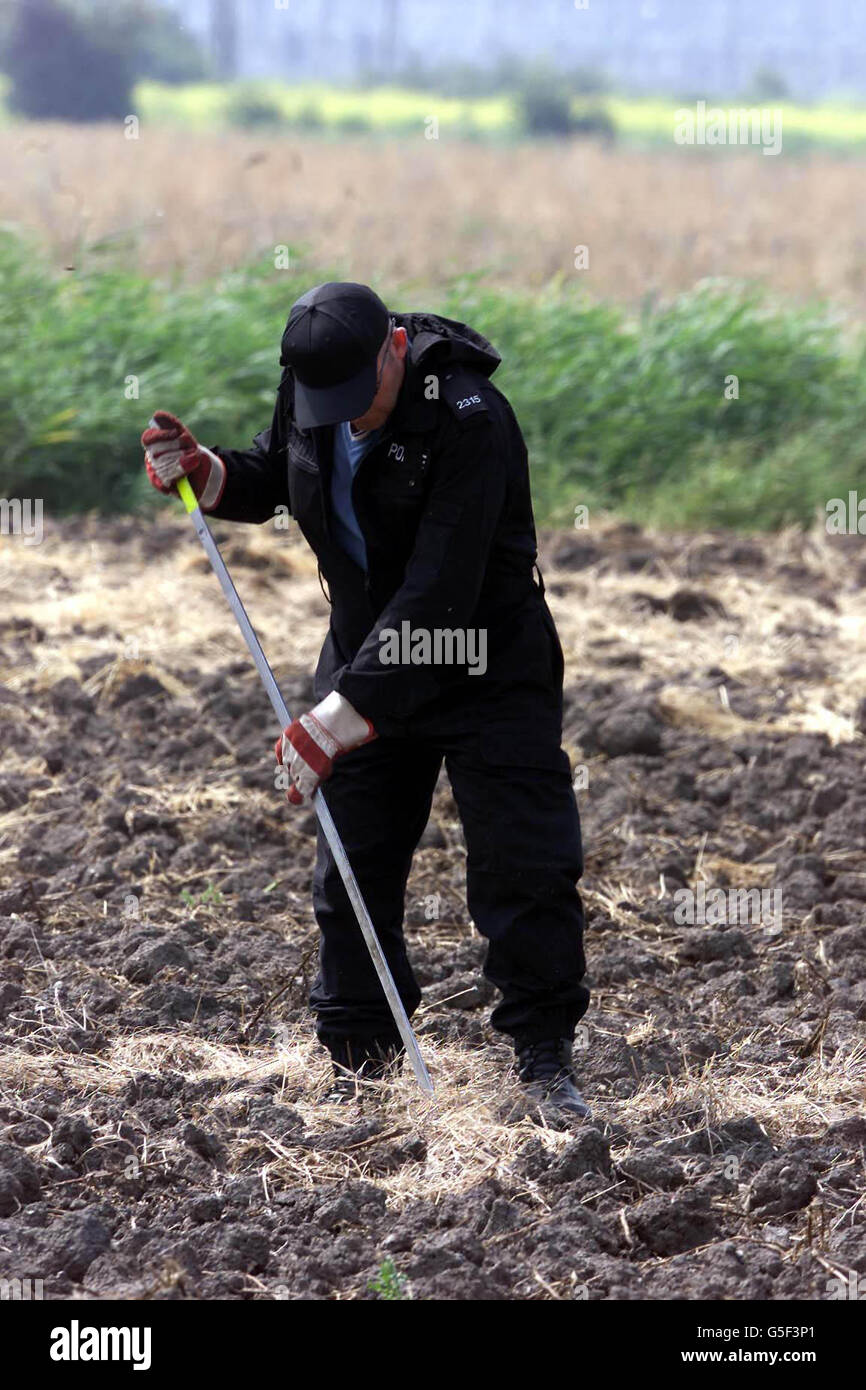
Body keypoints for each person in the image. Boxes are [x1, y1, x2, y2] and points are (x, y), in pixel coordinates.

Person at [142, 281, 591, 1116]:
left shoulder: (469, 420)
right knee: (352, 862)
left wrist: (337, 718)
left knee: (524, 864)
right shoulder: (318, 389)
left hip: (485, 663)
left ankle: (542, 1063)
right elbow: (277, 470)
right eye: (330, 405)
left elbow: (439, 592)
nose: (349, 418)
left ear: (393, 344)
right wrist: (207, 475)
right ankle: (361, 1063)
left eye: (362, 398)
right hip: (366, 653)